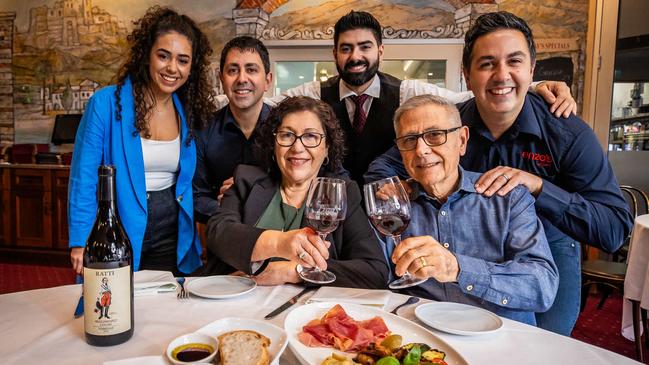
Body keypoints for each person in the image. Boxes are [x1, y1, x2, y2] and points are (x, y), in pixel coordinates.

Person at [366, 12, 633, 335]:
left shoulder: (566, 133)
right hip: (468, 241)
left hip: (547, 242)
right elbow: (390, 164)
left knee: (545, 338)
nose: (501, 75)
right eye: (487, 63)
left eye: (514, 62)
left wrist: (538, 187)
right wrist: (399, 186)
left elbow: (614, 228)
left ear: (531, 70)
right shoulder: (448, 126)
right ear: (467, 74)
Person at [215, 11, 576, 187]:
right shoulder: (315, 94)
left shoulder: (407, 91)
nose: (355, 56)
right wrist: (217, 99)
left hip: (393, 203)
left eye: (364, 47)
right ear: (335, 54)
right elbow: (263, 97)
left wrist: (531, 86)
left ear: (380, 51)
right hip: (328, 206)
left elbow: (466, 94)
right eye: (346, 48)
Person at [69, 6, 216, 275]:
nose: (173, 68)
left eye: (183, 60)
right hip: (116, 224)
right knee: (116, 307)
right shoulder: (105, 103)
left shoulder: (188, 110)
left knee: (165, 303)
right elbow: (84, 177)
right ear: (147, 54)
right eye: (163, 56)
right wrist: (80, 241)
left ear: (191, 67)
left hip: (171, 227)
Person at [388, 94, 558, 324]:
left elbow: (542, 287)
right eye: (409, 139)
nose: (421, 150)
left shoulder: (507, 197)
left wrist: (457, 268)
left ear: (462, 140)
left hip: (502, 339)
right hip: (422, 337)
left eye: (435, 135)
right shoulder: (393, 206)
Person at [205, 96, 388, 288]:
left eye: (310, 136)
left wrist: (293, 271)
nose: (297, 147)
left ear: (327, 148)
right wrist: (279, 243)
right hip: (239, 304)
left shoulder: (343, 192)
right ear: (273, 144)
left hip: (308, 312)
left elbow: (374, 271)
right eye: (287, 135)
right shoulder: (246, 179)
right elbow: (218, 232)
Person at [193, 36, 273, 223]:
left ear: (268, 80)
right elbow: (196, 197)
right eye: (232, 70)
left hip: (280, 238)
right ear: (222, 79)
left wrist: (254, 197)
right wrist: (230, 208)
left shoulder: (288, 128)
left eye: (251, 69)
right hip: (223, 239)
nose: (241, 79)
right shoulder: (202, 131)